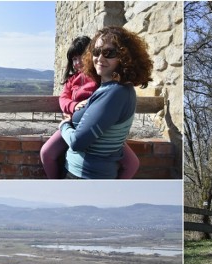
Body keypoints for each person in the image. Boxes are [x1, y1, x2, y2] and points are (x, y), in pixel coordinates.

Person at [58, 26, 152, 179]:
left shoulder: (116, 93)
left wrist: (64, 126)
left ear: (124, 57)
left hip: (85, 177)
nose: (99, 58)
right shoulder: (113, 89)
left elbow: (77, 142)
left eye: (108, 53)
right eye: (96, 52)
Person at [40, 35, 140, 179]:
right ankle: (54, 183)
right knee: (46, 152)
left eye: (80, 57)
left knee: (132, 163)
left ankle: (119, 189)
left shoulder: (101, 79)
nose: (78, 62)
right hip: (75, 127)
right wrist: (73, 106)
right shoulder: (72, 80)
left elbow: (104, 105)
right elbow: (63, 98)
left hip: (98, 130)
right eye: (74, 59)